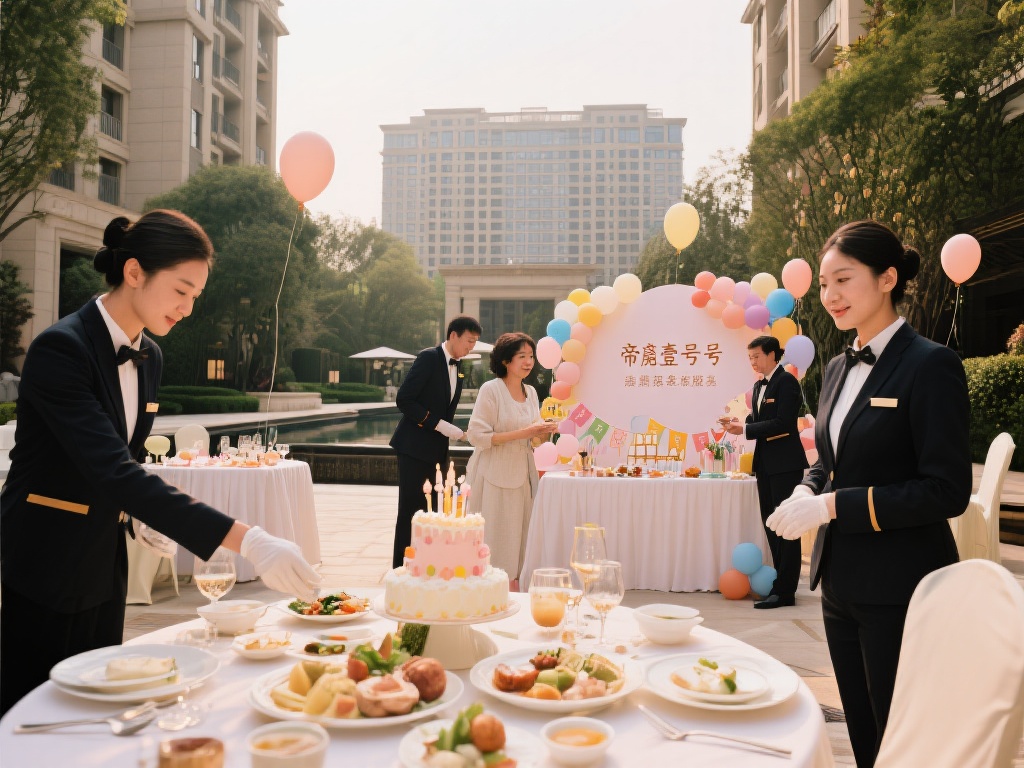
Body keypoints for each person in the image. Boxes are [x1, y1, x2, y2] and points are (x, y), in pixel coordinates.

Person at [0, 211, 321, 716]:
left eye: (195, 296)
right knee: (34, 714)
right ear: (134, 273)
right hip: (46, 560)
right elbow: (113, 471)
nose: (188, 308)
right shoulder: (62, 349)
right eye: (181, 290)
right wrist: (249, 540)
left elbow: (121, 459)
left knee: (98, 706)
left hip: (106, 563)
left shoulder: (150, 354)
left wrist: (140, 516)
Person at [764, 220, 971, 767]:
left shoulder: (930, 365)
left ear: (887, 279)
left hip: (903, 583)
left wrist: (830, 505)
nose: (831, 296)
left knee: (905, 738)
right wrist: (803, 490)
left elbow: (946, 489)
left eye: (844, 280)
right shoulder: (835, 367)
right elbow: (831, 462)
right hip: (840, 581)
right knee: (863, 733)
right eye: (825, 283)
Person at [721, 335, 808, 609]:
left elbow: (783, 423)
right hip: (766, 466)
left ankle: (785, 592)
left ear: (773, 355)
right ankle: (780, 586)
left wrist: (745, 430)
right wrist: (738, 423)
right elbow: (759, 421)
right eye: (750, 358)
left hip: (785, 465)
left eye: (756, 356)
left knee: (786, 527)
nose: (753, 362)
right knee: (771, 525)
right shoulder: (759, 386)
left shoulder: (787, 382)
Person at [464, 332, 558, 582]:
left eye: (531, 356)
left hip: (522, 475)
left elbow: (534, 441)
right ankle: (487, 589)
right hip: (494, 474)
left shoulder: (531, 392)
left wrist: (544, 431)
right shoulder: (491, 389)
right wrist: (527, 431)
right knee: (494, 535)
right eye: (521, 356)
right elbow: (477, 435)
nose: (528, 362)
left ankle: (514, 590)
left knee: (520, 535)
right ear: (506, 360)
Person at [389, 315, 481, 568]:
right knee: (411, 512)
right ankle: (402, 568)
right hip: (414, 447)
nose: (471, 347)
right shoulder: (429, 357)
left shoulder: (459, 365)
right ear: (453, 335)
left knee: (433, 511)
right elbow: (404, 400)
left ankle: (425, 565)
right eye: (469, 341)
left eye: (475, 343)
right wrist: (439, 425)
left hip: (437, 450)